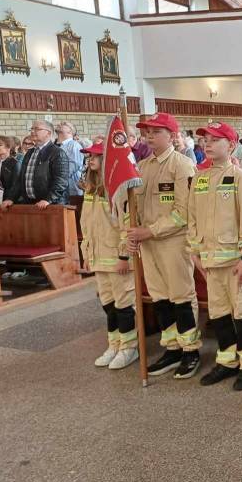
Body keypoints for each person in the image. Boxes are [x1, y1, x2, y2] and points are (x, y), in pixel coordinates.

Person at [188, 122, 242, 390]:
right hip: (210, 261)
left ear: (231, 145)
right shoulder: (199, 178)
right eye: (205, 139)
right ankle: (227, 360)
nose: (207, 144)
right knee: (219, 314)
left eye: (214, 140)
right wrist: (195, 253)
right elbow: (192, 218)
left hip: (235, 263)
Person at [127, 113, 201, 379]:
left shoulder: (182, 165)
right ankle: (172, 348)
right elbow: (132, 206)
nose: (149, 135)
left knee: (181, 297)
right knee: (160, 297)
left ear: (172, 135)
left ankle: (190, 350)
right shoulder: (142, 166)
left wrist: (150, 230)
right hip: (148, 244)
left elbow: (183, 212)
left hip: (173, 242)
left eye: (156, 131)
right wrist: (132, 232)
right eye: (147, 131)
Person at [79, 142, 138, 371]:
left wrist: (124, 256)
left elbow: (127, 225)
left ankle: (129, 347)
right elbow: (86, 224)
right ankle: (114, 344)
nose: (91, 160)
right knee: (108, 304)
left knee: (124, 304)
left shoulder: (119, 190)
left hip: (116, 257)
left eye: (96, 156)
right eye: (90, 157)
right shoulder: (91, 189)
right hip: (98, 256)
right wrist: (86, 253)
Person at [3, 120, 69, 208]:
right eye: (32, 129)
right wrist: (11, 198)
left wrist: (48, 200)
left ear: (48, 133)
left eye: (37, 129)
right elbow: (21, 180)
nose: (32, 132)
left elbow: (61, 181)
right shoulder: (30, 152)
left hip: (52, 205)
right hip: (31, 204)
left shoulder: (57, 153)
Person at [55, 121, 85, 203]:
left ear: (70, 131)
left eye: (64, 125)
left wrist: (56, 181)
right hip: (61, 191)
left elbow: (72, 167)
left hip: (71, 192)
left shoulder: (74, 145)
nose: (59, 124)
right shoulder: (59, 146)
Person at [0, 136, 20, 202]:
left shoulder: (15, 163)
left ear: (8, 148)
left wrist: (10, 199)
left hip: (9, 200)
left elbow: (16, 186)